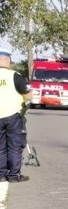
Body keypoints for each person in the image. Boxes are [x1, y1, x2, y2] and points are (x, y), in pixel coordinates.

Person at [0, 49, 32, 183]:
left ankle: (1, 175)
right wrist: (24, 109)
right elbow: (27, 96)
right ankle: (13, 175)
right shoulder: (15, 76)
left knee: (0, 146)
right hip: (13, 115)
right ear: (9, 61)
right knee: (15, 145)